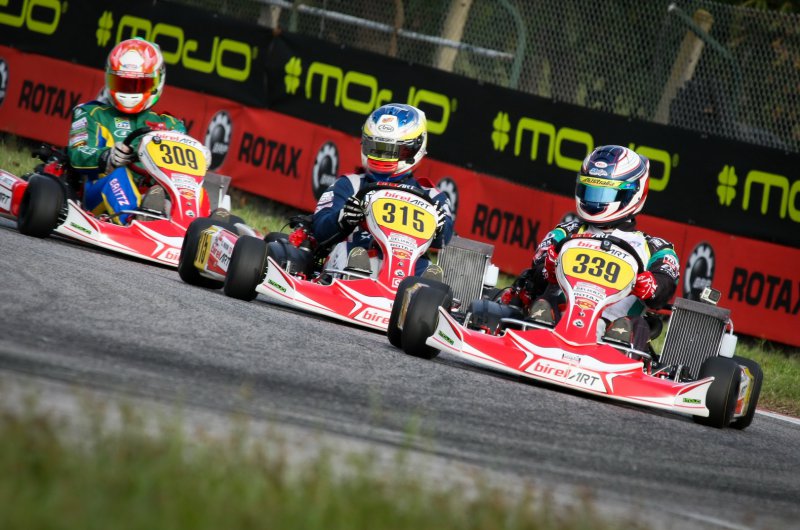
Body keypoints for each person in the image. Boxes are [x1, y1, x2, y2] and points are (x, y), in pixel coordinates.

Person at [501, 145, 680, 351]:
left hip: (615, 331)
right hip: (558, 320)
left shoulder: (655, 248)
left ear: (634, 194)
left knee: (636, 325)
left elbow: (665, 287)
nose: (596, 201)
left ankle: (616, 348)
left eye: (606, 193)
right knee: (543, 303)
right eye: (591, 190)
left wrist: (652, 286)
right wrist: (547, 268)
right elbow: (536, 273)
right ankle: (534, 335)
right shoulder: (566, 232)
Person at [311, 103, 454, 277]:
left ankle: (422, 289)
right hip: (357, 254)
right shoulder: (350, 184)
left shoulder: (431, 196)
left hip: (406, 266)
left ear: (415, 149)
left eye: (392, 150)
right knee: (350, 252)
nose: (382, 155)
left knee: (427, 268)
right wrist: (343, 217)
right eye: (376, 147)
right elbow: (319, 229)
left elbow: (444, 240)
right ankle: (355, 279)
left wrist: (440, 225)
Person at [67, 38, 186, 224]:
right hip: (98, 192)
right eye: (123, 83)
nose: (130, 92)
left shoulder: (171, 125)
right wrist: (107, 156)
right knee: (118, 175)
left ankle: (201, 227)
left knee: (189, 190)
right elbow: (77, 153)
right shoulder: (91, 113)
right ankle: (134, 218)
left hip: (154, 193)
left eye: (139, 84)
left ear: (157, 81)